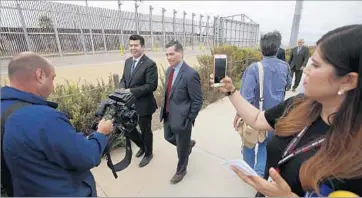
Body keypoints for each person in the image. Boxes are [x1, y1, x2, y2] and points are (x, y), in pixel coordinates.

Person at [210, 24, 362, 197]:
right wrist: (231, 91)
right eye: (310, 62)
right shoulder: (299, 104)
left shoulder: (355, 157)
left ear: (348, 80)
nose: (305, 69)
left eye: (316, 65)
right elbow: (258, 119)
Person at [1, 52, 114, 196]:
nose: (53, 87)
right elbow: (87, 156)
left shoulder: (5, 109)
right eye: (52, 78)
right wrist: (101, 134)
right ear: (40, 75)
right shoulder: (44, 118)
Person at [234, 30, 291, 178]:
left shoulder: (254, 68)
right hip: (276, 117)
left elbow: (245, 97)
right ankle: (260, 177)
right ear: (278, 49)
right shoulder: (285, 67)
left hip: (255, 116)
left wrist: (238, 115)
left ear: (261, 50)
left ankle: (249, 174)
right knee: (265, 146)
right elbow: (288, 85)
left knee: (249, 144)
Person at [159, 40, 203, 184]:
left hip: (183, 118)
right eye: (167, 54)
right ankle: (188, 145)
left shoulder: (190, 74)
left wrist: (189, 119)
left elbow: (197, 101)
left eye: (172, 54)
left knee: (181, 149)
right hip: (168, 115)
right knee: (168, 137)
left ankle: (181, 170)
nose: (169, 57)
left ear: (181, 53)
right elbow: (168, 93)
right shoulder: (169, 70)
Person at [119, 34, 158, 167]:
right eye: (131, 45)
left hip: (144, 104)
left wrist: (131, 91)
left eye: (136, 45)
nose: (133, 48)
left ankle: (148, 153)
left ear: (142, 46)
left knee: (145, 130)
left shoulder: (150, 64)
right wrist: (122, 88)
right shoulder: (128, 61)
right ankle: (142, 145)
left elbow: (151, 86)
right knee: (129, 129)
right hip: (129, 103)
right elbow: (124, 78)